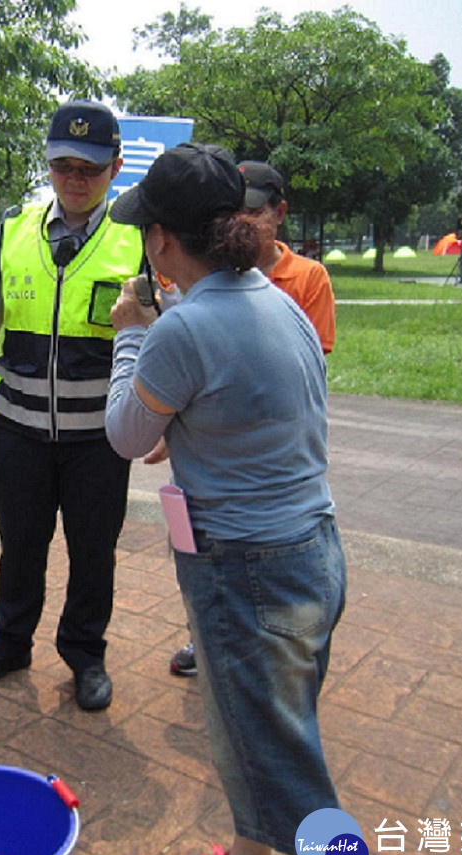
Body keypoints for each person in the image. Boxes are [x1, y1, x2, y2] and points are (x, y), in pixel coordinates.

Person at [104, 144, 351, 855]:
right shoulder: (278, 298)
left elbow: (126, 435)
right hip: (312, 550)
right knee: (270, 736)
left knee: (291, 773)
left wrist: (129, 334)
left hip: (247, 571)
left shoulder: (178, 332)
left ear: (161, 242)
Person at [0, 99, 144, 711]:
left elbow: (167, 334)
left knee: (93, 550)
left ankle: (85, 654)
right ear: (49, 166)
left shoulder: (138, 242)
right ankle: (10, 644)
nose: (75, 180)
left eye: (89, 168)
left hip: (101, 438)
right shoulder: (13, 231)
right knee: (19, 544)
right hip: (20, 429)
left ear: (114, 167)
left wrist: (161, 418)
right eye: (63, 166)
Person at [169, 158, 336, 677]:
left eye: (254, 212)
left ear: (279, 214)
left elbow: (303, 375)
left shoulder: (301, 282)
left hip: (264, 480)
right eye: (232, 212)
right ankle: (210, 634)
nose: (242, 223)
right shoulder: (192, 282)